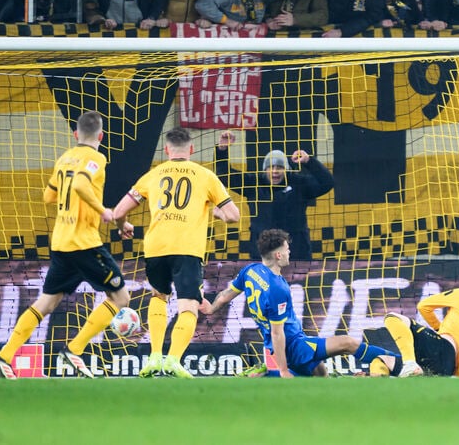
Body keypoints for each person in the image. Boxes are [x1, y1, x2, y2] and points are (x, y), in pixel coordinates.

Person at [0, 111, 133, 380]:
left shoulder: (64, 158)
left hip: (61, 242)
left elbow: (48, 196)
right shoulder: (97, 158)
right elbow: (79, 183)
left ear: (76, 134)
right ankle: (74, 349)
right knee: (120, 297)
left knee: (46, 303)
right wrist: (102, 210)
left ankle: (4, 356)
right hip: (85, 244)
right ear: (101, 136)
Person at [111, 127, 240, 378]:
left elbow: (117, 213)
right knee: (189, 306)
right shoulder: (205, 176)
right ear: (191, 149)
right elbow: (234, 216)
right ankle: (172, 361)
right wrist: (216, 212)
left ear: (167, 150)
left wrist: (123, 226)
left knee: (158, 297)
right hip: (187, 248)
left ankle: (155, 358)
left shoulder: (152, 175)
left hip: (156, 248)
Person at [200, 228, 398, 377]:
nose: (289, 252)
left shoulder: (250, 270)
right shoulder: (277, 288)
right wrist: (283, 369)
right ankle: (400, 364)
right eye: (287, 249)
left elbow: (226, 294)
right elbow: (278, 333)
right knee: (348, 342)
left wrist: (211, 308)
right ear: (278, 255)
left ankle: (267, 374)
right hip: (293, 346)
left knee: (321, 376)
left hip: (286, 342)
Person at [215, 131, 334, 260]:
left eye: (279, 167)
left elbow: (327, 182)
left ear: (286, 169)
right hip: (262, 254)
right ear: (265, 169)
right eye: (271, 167)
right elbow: (224, 175)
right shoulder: (254, 184)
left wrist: (309, 161)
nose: (275, 171)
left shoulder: (298, 184)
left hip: (296, 254)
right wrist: (222, 149)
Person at [371, 275, 459, 378]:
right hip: (449, 370)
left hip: (441, 348)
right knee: (382, 360)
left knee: (393, 317)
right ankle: (402, 375)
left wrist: (437, 329)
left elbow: (423, 307)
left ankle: (410, 363)